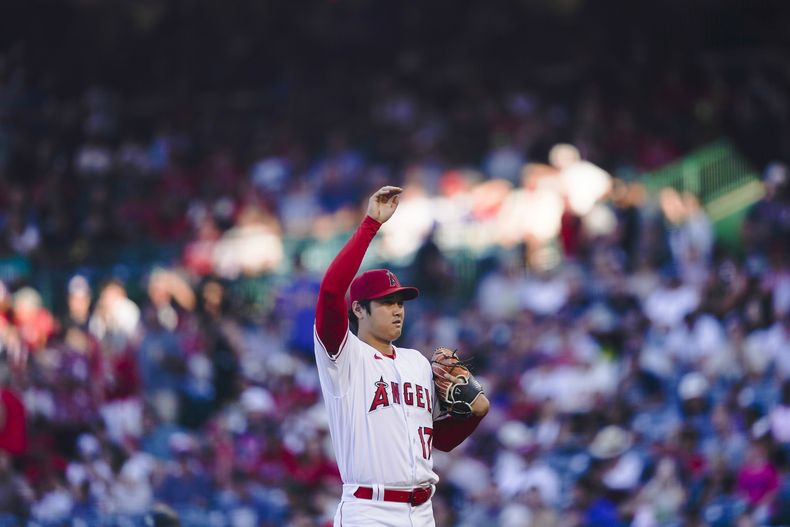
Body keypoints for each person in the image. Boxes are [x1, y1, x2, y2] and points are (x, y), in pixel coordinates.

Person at [314, 186, 490, 527]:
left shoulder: (417, 362)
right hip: (368, 510)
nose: (397, 310)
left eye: (400, 303)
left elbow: (441, 441)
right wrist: (370, 225)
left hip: (423, 511)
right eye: (386, 303)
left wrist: (474, 416)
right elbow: (331, 291)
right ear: (359, 310)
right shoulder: (343, 356)